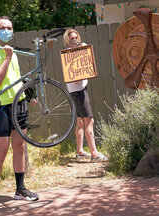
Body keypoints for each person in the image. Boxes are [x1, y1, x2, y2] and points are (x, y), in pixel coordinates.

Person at [0, 16, 39, 216]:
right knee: (0, 151)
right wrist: (5, 57)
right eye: (3, 28)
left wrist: (29, 96)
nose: (7, 31)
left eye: (10, 28)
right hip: (1, 107)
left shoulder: (12, 53)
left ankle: (20, 189)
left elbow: (16, 78)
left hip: (19, 103)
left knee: (20, 146)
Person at [63, 29, 107, 162]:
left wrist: (84, 49)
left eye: (76, 37)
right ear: (67, 40)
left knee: (81, 121)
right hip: (78, 91)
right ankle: (94, 154)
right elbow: (74, 75)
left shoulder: (76, 52)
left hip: (78, 89)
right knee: (89, 120)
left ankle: (80, 151)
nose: (74, 40)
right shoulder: (68, 55)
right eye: (71, 38)